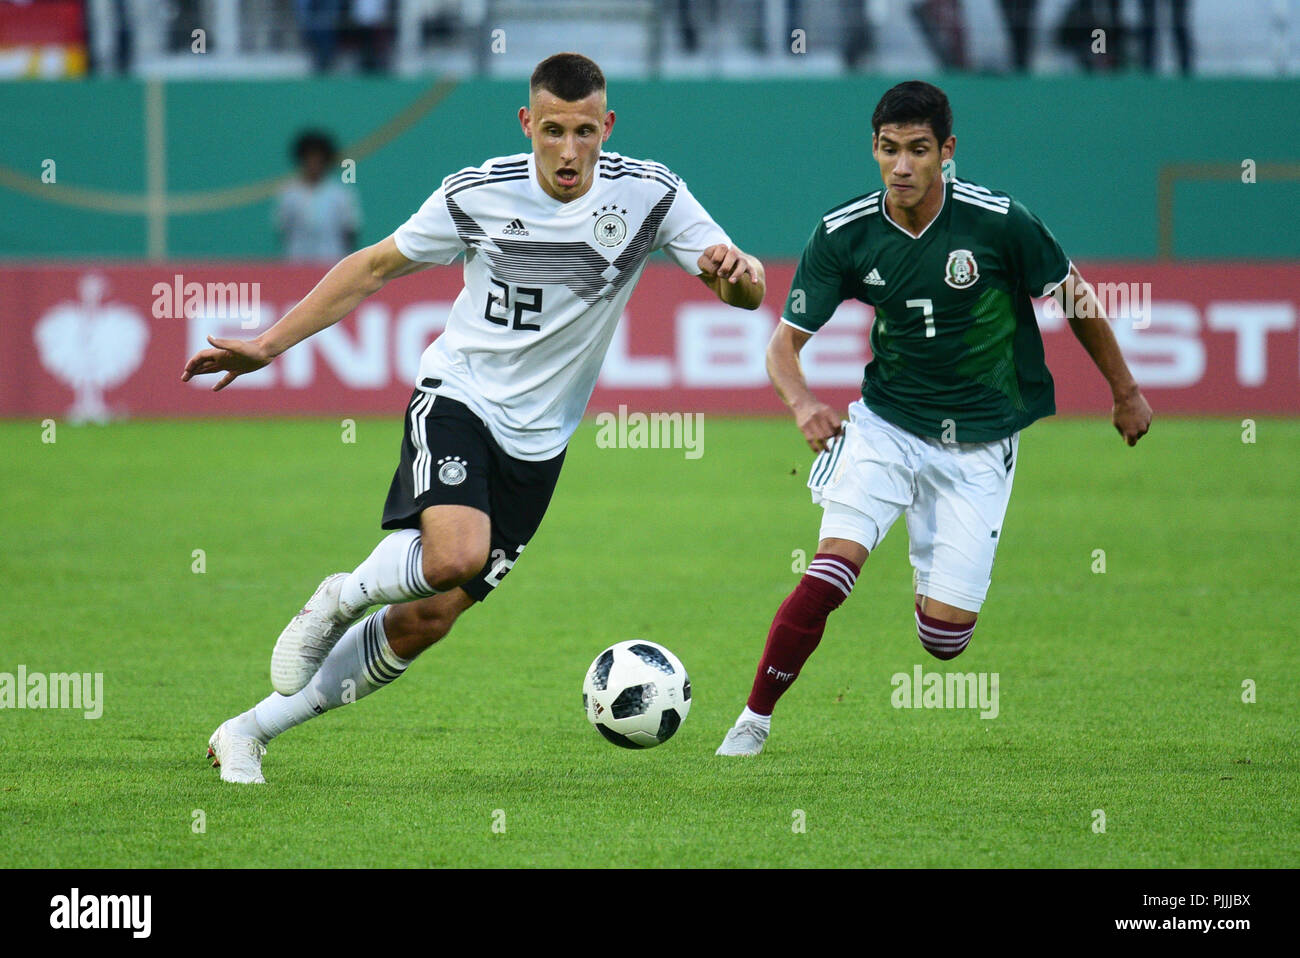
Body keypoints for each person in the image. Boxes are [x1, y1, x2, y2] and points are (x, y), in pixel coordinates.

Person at [184, 52, 765, 783]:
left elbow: (741, 285)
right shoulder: (477, 194)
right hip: (458, 397)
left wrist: (739, 280)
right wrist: (268, 343)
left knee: (427, 618)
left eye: (585, 132)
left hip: (540, 444)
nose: (568, 149)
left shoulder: (651, 195)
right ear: (528, 122)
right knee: (455, 554)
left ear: (607, 126)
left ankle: (246, 731)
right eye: (552, 130)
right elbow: (370, 267)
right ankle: (341, 594)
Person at [716, 80, 1151, 756]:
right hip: (886, 426)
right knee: (830, 573)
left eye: (919, 150)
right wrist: (803, 403)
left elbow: (1075, 295)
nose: (902, 166)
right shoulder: (845, 232)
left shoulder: (998, 221)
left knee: (945, 640)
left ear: (947, 150)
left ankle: (930, 548)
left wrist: (1124, 390)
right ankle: (753, 720)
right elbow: (782, 347)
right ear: (874, 148)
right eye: (889, 150)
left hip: (980, 441)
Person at [276, 130, 361, 262]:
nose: (313, 163)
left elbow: (350, 232)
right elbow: (283, 230)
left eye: (318, 159)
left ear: (326, 161)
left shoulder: (341, 194)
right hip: (296, 264)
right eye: (309, 158)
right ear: (302, 160)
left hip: (333, 264)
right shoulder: (289, 193)